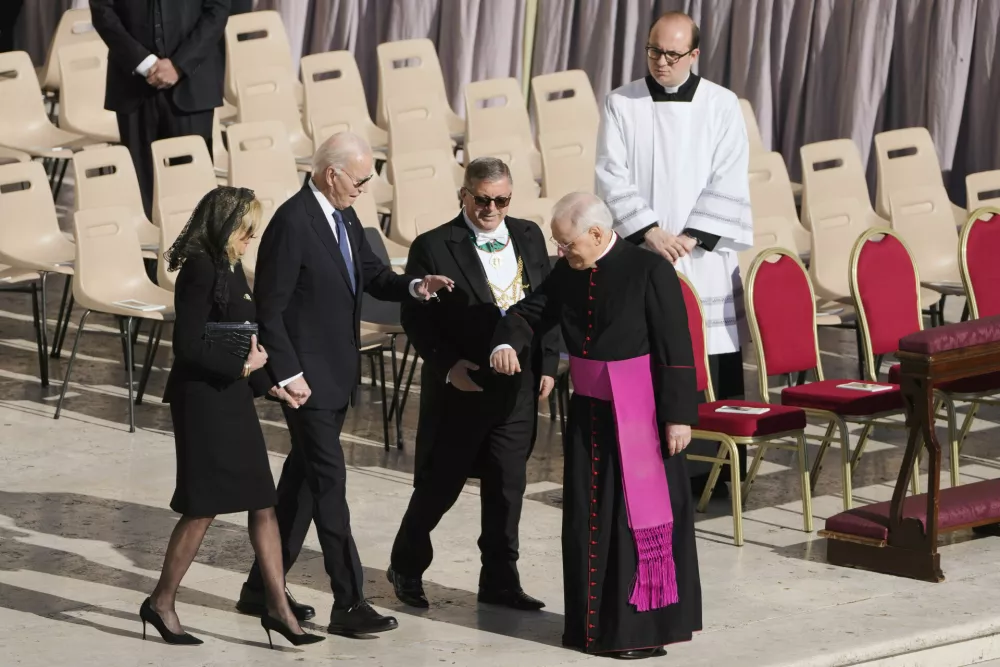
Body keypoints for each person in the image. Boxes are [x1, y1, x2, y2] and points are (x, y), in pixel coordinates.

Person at [235, 131, 454, 636]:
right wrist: (287, 375)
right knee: (330, 487)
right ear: (332, 174)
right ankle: (348, 601)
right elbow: (269, 308)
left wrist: (416, 286)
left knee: (303, 485)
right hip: (306, 382)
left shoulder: (342, 213)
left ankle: (258, 589)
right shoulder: (293, 223)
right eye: (358, 179)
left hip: (335, 375)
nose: (364, 188)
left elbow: (374, 276)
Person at [490, 192, 701, 660]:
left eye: (566, 243)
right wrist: (504, 341)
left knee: (631, 522)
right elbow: (531, 312)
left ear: (597, 233)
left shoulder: (649, 271)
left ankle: (636, 632)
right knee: (588, 519)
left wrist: (680, 415)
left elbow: (675, 346)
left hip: (641, 414)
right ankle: (590, 628)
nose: (561, 252)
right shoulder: (569, 270)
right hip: (589, 412)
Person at [146, 186, 323, 649]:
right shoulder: (200, 270)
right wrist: (245, 368)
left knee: (262, 502)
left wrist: (271, 386)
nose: (251, 238)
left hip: (233, 399)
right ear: (225, 225)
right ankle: (162, 602)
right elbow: (187, 346)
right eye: (246, 230)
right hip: (203, 402)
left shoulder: (229, 267)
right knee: (202, 507)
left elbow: (246, 344)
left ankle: (277, 608)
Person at [387, 158, 559, 610]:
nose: (491, 209)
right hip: (462, 385)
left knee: (507, 485)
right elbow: (416, 319)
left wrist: (547, 363)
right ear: (464, 194)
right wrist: (447, 366)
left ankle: (500, 581)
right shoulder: (433, 245)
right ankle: (406, 564)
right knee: (439, 485)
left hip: (517, 386)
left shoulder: (528, 235)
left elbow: (547, 301)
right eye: (482, 199)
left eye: (501, 200)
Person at [595, 10, 752, 497]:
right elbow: (610, 173)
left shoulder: (722, 105)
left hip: (702, 257)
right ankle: (652, 472)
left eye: (672, 54)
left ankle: (718, 474)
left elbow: (730, 174)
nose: (661, 62)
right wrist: (649, 232)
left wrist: (689, 237)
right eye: (653, 51)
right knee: (651, 356)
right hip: (646, 253)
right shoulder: (622, 102)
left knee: (713, 358)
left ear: (694, 55)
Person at [90, 0, 229, 218]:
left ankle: (192, 251)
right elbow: (101, 10)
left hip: (191, 85)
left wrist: (179, 65)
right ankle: (144, 252)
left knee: (192, 189)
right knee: (141, 188)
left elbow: (218, 9)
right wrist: (143, 62)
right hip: (133, 84)